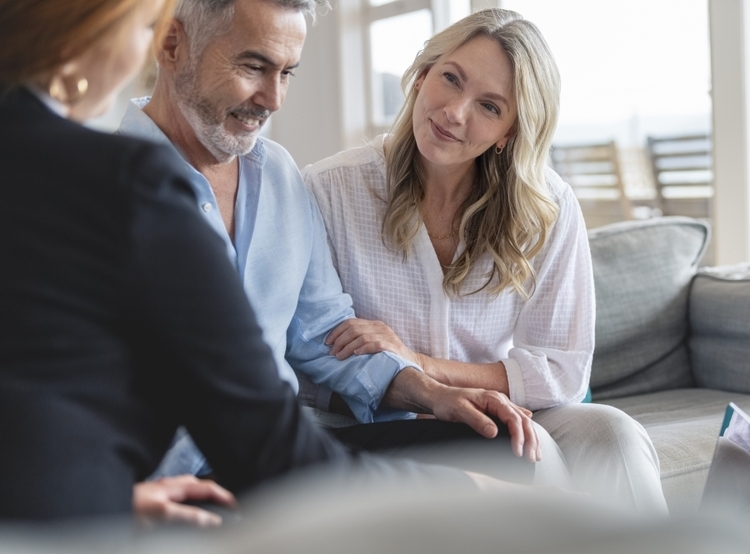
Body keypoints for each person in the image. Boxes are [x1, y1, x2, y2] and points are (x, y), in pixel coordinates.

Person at [0, 0, 528, 523]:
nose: (273, 98)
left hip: (282, 448)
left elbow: (323, 328)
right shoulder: (110, 189)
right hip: (200, 472)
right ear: (171, 44)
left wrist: (433, 393)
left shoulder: (277, 173)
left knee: (491, 441)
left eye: (287, 73)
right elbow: (263, 448)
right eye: (253, 66)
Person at [303, 8, 669, 515]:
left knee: (617, 435)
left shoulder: (548, 207)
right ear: (422, 74)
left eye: (489, 106)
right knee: (532, 459)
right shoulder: (330, 190)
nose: (454, 111)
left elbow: (563, 370)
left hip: (502, 407)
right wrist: (419, 391)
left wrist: (425, 366)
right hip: (378, 419)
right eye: (450, 78)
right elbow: (314, 353)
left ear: (509, 134)